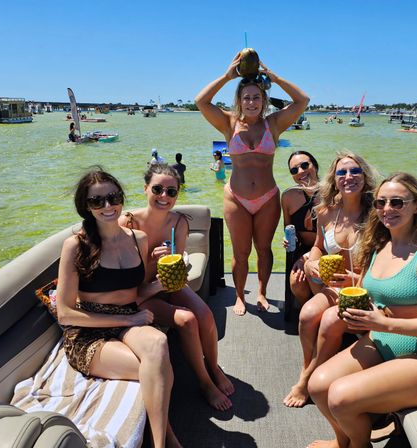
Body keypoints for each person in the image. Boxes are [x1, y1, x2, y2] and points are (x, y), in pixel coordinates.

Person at [307, 172, 417, 448]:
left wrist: (384, 324)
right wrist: (355, 284)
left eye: (397, 202)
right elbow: (389, 290)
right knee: (318, 386)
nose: (387, 209)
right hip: (383, 342)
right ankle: (345, 442)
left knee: (340, 397)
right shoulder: (380, 244)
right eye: (380, 203)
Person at [55, 168, 181, 448]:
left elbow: (136, 292)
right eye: (97, 201)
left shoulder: (138, 239)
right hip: (87, 332)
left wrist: (161, 284)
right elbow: (64, 313)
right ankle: (166, 439)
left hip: (128, 317)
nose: (108, 206)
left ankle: (159, 440)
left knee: (158, 343)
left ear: (122, 198)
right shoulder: (76, 246)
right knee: (161, 370)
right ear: (85, 207)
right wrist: (129, 320)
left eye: (113, 197)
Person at [195, 52, 309, 315]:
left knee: (264, 249)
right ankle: (238, 296)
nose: (251, 102)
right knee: (241, 252)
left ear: (263, 99)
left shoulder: (274, 124)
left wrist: (275, 77)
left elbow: (303, 100)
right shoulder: (228, 123)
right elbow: (201, 101)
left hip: (267, 197)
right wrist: (227, 76)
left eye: (256, 97)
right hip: (236, 197)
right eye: (246, 97)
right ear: (239, 100)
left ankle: (262, 293)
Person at [118, 163, 234, 411]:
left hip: (167, 283)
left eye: (172, 192)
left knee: (205, 315)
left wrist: (174, 257)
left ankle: (213, 367)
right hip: (138, 293)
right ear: (146, 189)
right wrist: (148, 259)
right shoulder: (128, 223)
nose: (164, 196)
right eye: (158, 189)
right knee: (187, 320)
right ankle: (204, 383)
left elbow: (178, 266)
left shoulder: (178, 223)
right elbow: (117, 270)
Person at [284, 151, 377, 408]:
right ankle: (308, 365)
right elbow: (317, 246)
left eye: (355, 171)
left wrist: (356, 279)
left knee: (326, 320)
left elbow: (385, 265)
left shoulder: (377, 216)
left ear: (365, 176)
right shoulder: (326, 212)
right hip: (335, 288)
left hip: (364, 290)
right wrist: (312, 261)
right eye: (342, 172)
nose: (348, 177)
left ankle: (308, 378)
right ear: (333, 179)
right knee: (306, 315)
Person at [281, 150, 320, 306]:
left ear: (315, 166)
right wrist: (286, 239)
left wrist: (310, 258)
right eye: (294, 170)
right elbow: (288, 228)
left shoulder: (333, 194)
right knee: (297, 283)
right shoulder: (288, 197)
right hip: (301, 250)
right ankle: (307, 307)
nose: (301, 171)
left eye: (305, 165)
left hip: (327, 250)